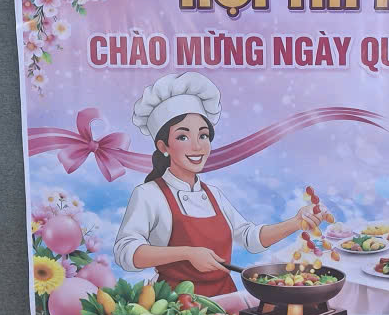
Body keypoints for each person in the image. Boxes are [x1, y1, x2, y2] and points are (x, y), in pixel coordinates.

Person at [114, 72, 321, 295]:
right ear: (163, 146)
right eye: (183, 137)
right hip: (177, 305)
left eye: (203, 135)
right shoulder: (148, 194)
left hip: (226, 300)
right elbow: (126, 253)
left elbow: (250, 238)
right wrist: (187, 253)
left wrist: (296, 223)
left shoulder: (214, 194)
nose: (197, 146)